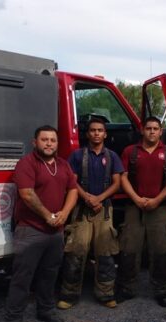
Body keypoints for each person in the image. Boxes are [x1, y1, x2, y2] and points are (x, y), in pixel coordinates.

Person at [4, 125, 78, 322]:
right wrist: (47, 215)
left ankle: (45, 310)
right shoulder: (26, 164)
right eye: (44, 140)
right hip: (31, 230)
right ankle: (13, 320)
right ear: (34, 142)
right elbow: (26, 194)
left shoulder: (63, 165)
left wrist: (64, 213)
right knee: (22, 278)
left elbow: (73, 189)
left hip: (56, 231)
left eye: (52, 140)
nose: (49, 143)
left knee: (50, 274)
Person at [57, 117, 124, 309]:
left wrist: (99, 198)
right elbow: (72, 182)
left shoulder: (112, 156)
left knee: (106, 252)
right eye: (93, 130)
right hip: (81, 210)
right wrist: (87, 198)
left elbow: (117, 183)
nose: (96, 133)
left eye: (100, 130)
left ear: (105, 134)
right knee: (76, 250)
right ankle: (68, 295)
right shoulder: (77, 156)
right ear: (88, 134)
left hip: (104, 210)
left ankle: (105, 294)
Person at [116, 116, 166, 307]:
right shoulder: (130, 152)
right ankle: (127, 288)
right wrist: (136, 199)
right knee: (128, 248)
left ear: (161, 132)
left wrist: (157, 200)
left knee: (162, 250)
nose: (152, 131)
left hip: (160, 208)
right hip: (134, 207)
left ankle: (162, 290)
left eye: (155, 128)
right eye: (148, 128)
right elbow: (123, 178)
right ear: (142, 131)